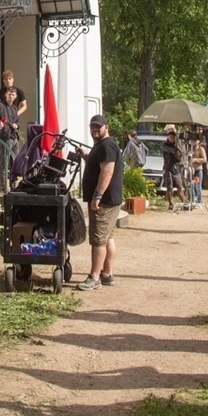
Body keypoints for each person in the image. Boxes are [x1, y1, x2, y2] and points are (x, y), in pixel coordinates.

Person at [76, 114, 123, 291]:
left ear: (106, 127)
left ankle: (94, 277)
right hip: (108, 199)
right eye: (92, 127)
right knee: (107, 237)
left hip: (105, 201)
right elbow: (98, 164)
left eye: (98, 127)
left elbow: (107, 172)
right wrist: (85, 156)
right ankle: (107, 274)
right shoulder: (102, 146)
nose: (95, 130)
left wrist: (97, 196)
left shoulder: (107, 146)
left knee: (98, 240)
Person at [161, 124, 187, 209]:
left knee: (180, 186)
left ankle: (184, 202)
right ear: (168, 137)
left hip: (176, 168)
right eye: (170, 137)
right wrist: (175, 150)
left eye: (173, 137)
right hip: (168, 168)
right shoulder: (164, 145)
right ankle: (170, 203)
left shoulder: (178, 143)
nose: (171, 139)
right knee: (169, 187)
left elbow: (180, 156)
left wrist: (179, 153)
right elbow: (167, 149)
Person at [188, 137, 207, 204]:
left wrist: (196, 160)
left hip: (198, 170)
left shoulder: (201, 149)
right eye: (193, 140)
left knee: (198, 186)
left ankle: (199, 200)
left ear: (198, 141)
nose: (194, 141)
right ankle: (192, 200)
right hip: (191, 171)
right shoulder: (190, 149)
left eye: (195, 140)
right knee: (191, 186)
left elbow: (204, 159)